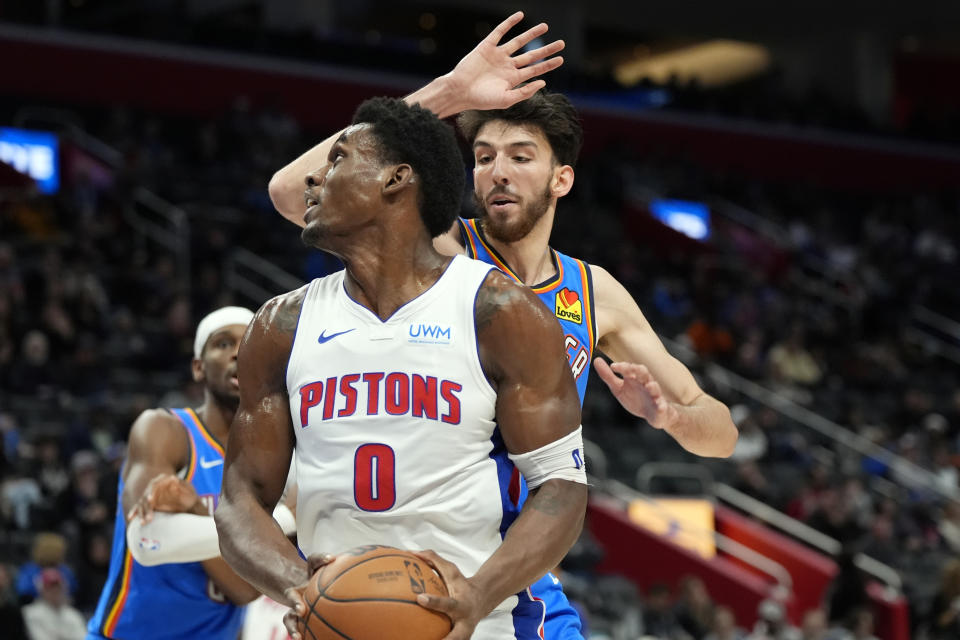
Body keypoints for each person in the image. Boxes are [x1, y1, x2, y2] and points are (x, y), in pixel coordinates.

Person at [267, 12, 737, 639]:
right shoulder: (435, 251)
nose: (497, 172)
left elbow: (721, 433)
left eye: (521, 156)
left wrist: (669, 417)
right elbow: (290, 191)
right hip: (405, 558)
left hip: (514, 577)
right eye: (484, 157)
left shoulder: (593, 293)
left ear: (561, 179)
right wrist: (450, 94)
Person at [214, 97, 588, 640]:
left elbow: (561, 485)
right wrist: (302, 589)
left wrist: (480, 593)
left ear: (397, 178)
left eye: (338, 159)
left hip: (471, 625)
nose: (314, 178)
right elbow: (239, 499)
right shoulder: (280, 325)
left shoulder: (499, 312)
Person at [86, 306, 285, 640]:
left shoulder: (276, 459)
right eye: (223, 344)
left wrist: (194, 511)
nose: (237, 352)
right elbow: (147, 538)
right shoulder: (165, 430)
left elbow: (249, 590)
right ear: (198, 367)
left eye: (248, 342)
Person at [22, 568, 86, 640]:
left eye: (58, 587)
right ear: (41, 590)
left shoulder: (73, 614)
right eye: (49, 588)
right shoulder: (30, 613)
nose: (55, 591)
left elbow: (83, 637)